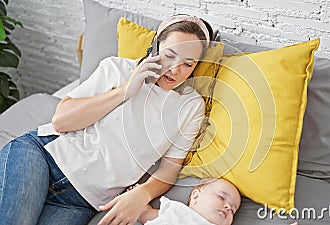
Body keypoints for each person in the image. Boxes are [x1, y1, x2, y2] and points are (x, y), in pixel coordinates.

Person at [0, 14, 213, 225]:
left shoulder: (191, 107)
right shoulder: (117, 69)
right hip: (42, 158)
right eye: (169, 55)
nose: (175, 70)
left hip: (81, 202)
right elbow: (61, 121)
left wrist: (142, 194)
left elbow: (169, 170)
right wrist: (124, 91)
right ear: (156, 45)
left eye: (188, 64)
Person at [136, 178, 241, 225]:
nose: (228, 207)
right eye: (221, 197)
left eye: (233, 210)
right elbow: (147, 216)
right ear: (196, 197)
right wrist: (141, 206)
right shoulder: (178, 211)